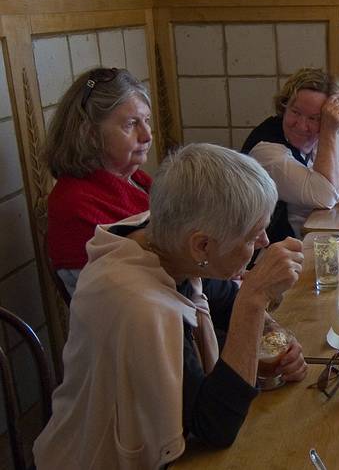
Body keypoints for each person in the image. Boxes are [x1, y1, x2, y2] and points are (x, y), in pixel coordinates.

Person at [34, 144, 308, 469]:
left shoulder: (164, 242)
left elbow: (222, 298)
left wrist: (272, 334)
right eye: (252, 235)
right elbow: (214, 425)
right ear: (201, 245)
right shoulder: (136, 302)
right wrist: (255, 297)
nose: (264, 242)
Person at [45, 67, 153, 293]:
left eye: (146, 120)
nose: (147, 135)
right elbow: (131, 291)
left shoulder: (138, 180)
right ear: (91, 134)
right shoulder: (74, 205)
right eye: (131, 124)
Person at [241, 68, 339, 241]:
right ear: (284, 106)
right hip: (273, 251)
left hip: (319, 236)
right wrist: (327, 131)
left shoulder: (330, 133)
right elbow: (326, 197)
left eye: (314, 118)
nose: (302, 126)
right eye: (295, 112)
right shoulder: (267, 151)